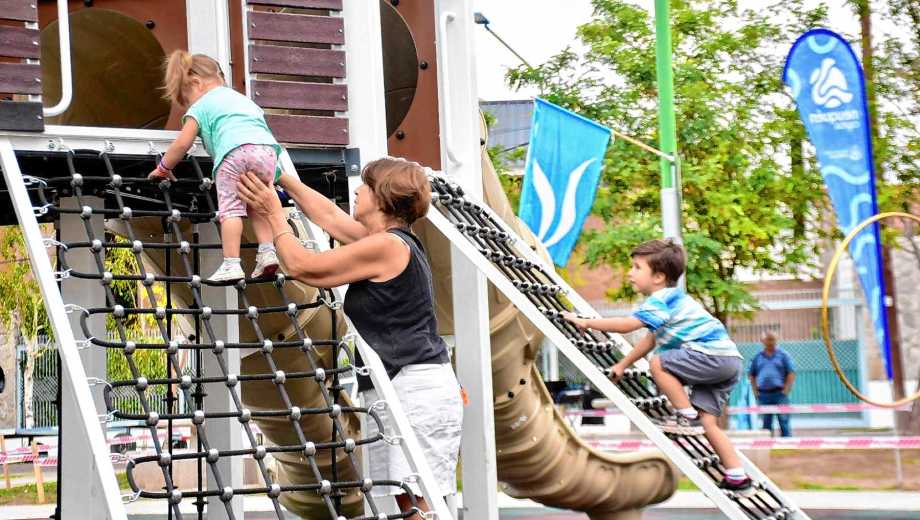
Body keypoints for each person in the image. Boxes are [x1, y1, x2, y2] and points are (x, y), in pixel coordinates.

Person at [238, 158, 463, 518]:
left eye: (366, 186)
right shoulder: (384, 241)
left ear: (383, 196)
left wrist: (274, 214)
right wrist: (282, 176)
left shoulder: (388, 247)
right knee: (407, 503)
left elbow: (303, 267)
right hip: (399, 385)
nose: (357, 190)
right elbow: (328, 216)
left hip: (414, 388)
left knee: (420, 504)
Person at [562, 239, 754, 495]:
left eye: (636, 267)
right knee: (709, 423)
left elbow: (627, 325)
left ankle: (686, 416)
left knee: (658, 363)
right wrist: (623, 364)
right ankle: (738, 477)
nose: (630, 273)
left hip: (711, 357)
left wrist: (586, 323)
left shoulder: (661, 299)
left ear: (658, 277)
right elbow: (651, 339)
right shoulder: (674, 301)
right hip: (728, 361)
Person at [149, 50, 281, 282]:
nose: (189, 104)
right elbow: (262, 128)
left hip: (233, 154)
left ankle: (231, 263)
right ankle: (267, 252)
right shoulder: (244, 100)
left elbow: (182, 143)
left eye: (187, 99)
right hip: (267, 152)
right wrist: (275, 172)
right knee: (258, 204)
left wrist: (163, 167)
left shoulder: (201, 105)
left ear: (196, 83)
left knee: (231, 211)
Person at [749, 332, 795, 437]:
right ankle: (767, 445)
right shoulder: (757, 357)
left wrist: (786, 390)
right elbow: (751, 375)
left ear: (776, 340)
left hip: (780, 394)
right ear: (763, 341)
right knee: (766, 424)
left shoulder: (783, 355)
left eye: (772, 339)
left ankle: (787, 443)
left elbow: (791, 373)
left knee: (784, 421)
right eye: (768, 339)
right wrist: (755, 392)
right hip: (763, 395)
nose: (770, 342)